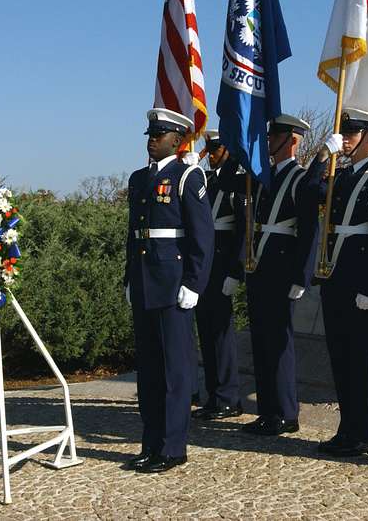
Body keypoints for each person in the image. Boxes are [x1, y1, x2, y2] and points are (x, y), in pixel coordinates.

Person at [124, 108, 214, 473]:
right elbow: (134, 236)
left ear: (178, 141)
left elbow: (202, 237)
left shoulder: (187, 176)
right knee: (148, 371)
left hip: (174, 283)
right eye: (150, 133)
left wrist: (194, 283)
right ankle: (151, 444)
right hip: (145, 281)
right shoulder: (137, 178)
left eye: (160, 134)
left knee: (175, 371)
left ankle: (173, 448)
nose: (152, 139)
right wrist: (129, 279)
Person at [311, 108, 368, 457]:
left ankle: (364, 434)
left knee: (360, 359)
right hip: (334, 277)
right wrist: (322, 156)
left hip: (360, 280)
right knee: (340, 357)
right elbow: (306, 194)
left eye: (352, 133)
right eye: (343, 133)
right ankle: (347, 429)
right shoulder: (338, 174)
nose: (345, 138)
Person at [239, 114, 321, 436]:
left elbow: (309, 231)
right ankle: (268, 410)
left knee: (279, 342)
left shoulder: (301, 180)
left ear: (293, 141)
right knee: (261, 341)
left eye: (276, 136)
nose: (269, 140)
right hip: (260, 266)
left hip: (282, 268)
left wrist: (302, 275)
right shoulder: (265, 177)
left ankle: (286, 412)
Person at [192, 130, 246, 421]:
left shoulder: (237, 182)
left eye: (215, 150)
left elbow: (242, 229)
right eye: (208, 150)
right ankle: (214, 394)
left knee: (222, 334)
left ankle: (229, 396)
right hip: (205, 268)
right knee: (207, 332)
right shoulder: (206, 180)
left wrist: (235, 270)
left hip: (223, 266)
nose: (210, 155)